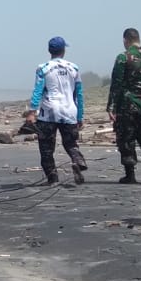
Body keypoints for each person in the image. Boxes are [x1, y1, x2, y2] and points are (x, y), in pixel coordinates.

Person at [107, 28, 141, 184]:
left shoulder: (123, 58)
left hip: (127, 104)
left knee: (126, 138)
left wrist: (111, 107)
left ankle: (130, 174)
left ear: (126, 40)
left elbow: (116, 85)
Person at [29, 37, 87, 185]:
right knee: (71, 144)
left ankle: (52, 178)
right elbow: (79, 94)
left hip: (49, 112)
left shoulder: (43, 68)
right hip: (69, 111)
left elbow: (38, 91)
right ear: (63, 50)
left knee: (46, 149)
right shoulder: (74, 68)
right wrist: (80, 116)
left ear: (50, 50)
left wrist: (32, 111)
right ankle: (77, 160)